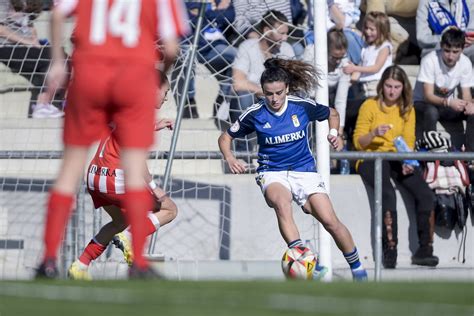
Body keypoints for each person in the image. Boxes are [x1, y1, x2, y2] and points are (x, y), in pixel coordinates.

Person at [35, 0, 188, 279]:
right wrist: (160, 74)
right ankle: (138, 262)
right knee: (141, 180)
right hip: (130, 77)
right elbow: (172, 48)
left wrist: (58, 61)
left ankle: (50, 261)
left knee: (69, 172)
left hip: (90, 76)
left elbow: (57, 13)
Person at [218, 58, 368, 281]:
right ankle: (306, 263)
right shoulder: (255, 113)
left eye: (279, 92)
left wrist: (334, 134)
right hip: (272, 172)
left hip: (305, 170)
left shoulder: (301, 105)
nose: (274, 98)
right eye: (269, 94)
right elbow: (225, 137)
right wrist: (230, 157)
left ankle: (358, 270)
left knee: (330, 221)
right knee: (281, 203)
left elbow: (332, 114)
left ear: (287, 88)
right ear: (263, 91)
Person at [67, 75, 177, 280]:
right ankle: (130, 238)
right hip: (114, 177)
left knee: (120, 221)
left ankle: (80, 266)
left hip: (94, 175)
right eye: (166, 92)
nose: (166, 98)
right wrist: (154, 187)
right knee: (169, 208)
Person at [353, 65, 439, 268]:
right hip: (370, 157)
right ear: (382, 86)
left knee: (425, 194)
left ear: (403, 88)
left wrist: (409, 161)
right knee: (388, 194)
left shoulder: (407, 108)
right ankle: (389, 249)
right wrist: (374, 133)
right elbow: (358, 142)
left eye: (397, 87)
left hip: (397, 157)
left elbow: (408, 141)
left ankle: (425, 249)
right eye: (388, 86)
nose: (392, 91)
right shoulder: (369, 105)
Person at [230, 10, 295, 156]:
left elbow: (293, 84)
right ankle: (242, 151)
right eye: (282, 33)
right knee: (243, 96)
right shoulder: (248, 47)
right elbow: (238, 83)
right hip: (253, 101)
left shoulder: (286, 50)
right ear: (266, 30)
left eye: (287, 33)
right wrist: (265, 92)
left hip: (278, 101)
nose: (285, 38)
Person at [0, 0, 64, 118]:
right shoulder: (4, 3)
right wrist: (27, 42)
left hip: (25, 49)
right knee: (51, 54)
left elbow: (29, 28)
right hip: (5, 47)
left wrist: (35, 42)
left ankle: (56, 104)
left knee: (60, 55)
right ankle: (42, 104)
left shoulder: (28, 3)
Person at [413, 27, 474, 152]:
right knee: (431, 111)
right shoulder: (429, 60)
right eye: (447, 51)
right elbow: (428, 96)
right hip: (423, 104)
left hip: (445, 105)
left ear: (462, 49)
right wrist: (449, 102)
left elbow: (466, 93)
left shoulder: (465, 62)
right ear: (441, 46)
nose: (450, 56)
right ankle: (432, 152)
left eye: (455, 52)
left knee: (473, 113)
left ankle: (470, 155)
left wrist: (469, 105)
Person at [304, 28, 350, 145]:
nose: (338, 61)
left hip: (328, 104)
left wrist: (339, 132)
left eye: (341, 57)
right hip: (306, 100)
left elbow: (341, 101)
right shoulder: (311, 53)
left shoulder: (345, 64)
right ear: (325, 49)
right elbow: (306, 89)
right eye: (334, 57)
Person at [343, 11, 393, 98]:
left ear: (382, 30)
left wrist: (354, 68)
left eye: (372, 29)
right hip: (362, 85)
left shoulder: (385, 47)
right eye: (366, 28)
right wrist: (349, 83)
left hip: (376, 85)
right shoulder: (366, 47)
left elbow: (376, 68)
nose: (367, 32)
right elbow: (360, 68)